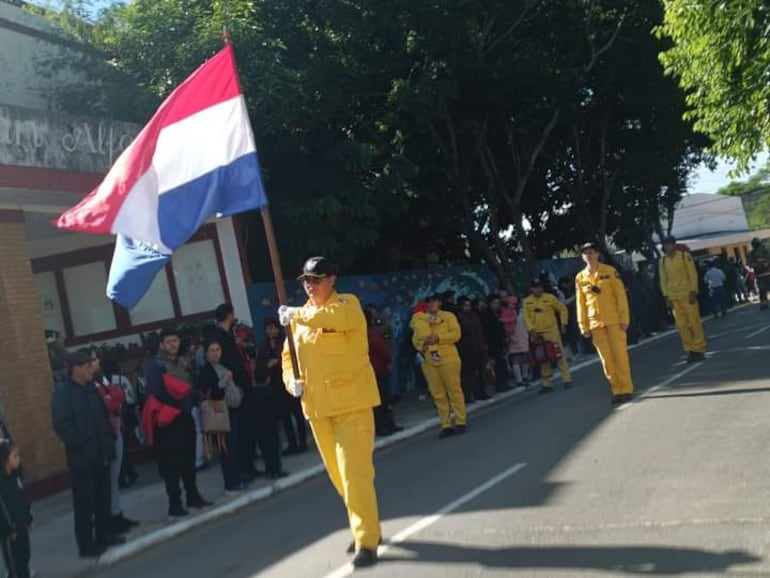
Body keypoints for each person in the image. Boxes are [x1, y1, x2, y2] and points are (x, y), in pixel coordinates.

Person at [278, 256, 382, 568]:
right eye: (306, 280)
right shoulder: (298, 318)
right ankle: (365, 525)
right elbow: (288, 359)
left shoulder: (347, 305)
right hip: (317, 409)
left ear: (332, 280)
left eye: (317, 279)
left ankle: (367, 540)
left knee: (354, 476)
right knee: (339, 478)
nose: (310, 285)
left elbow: (336, 318)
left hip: (352, 405)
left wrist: (298, 315)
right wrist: (290, 382)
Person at [51, 352, 123, 557]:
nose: (93, 369)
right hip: (82, 459)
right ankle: (86, 545)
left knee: (103, 498)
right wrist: (83, 444)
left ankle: (105, 535)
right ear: (78, 369)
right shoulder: (63, 394)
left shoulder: (91, 389)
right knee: (85, 504)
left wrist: (108, 441)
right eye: (88, 366)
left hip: (102, 453)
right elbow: (61, 425)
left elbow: (102, 416)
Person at [144, 328, 212, 518]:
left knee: (188, 462)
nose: (173, 345)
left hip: (185, 417)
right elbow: (157, 392)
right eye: (168, 342)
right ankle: (175, 504)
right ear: (161, 345)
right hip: (167, 424)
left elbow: (191, 385)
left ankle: (193, 496)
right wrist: (180, 405)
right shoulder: (155, 366)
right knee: (171, 467)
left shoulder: (182, 362)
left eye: (175, 341)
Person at [575, 242, 634, 405]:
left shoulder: (609, 271)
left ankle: (626, 388)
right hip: (595, 324)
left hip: (614, 321)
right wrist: (583, 325)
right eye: (585, 253)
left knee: (620, 356)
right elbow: (580, 303)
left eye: (591, 252)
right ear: (582, 256)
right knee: (606, 360)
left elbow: (620, 296)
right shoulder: (580, 277)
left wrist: (624, 319)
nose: (588, 255)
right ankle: (616, 390)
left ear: (597, 254)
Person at [212, 304, 260, 480]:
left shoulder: (228, 336)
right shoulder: (219, 338)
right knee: (238, 432)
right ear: (229, 315)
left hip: (241, 387)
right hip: (233, 390)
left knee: (246, 429)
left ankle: (248, 465)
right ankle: (242, 469)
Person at [92, 353, 138, 534]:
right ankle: (110, 518)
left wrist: (113, 398)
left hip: (116, 427)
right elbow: (107, 403)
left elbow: (119, 395)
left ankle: (117, 513)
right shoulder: (90, 385)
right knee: (109, 479)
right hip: (105, 433)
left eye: (97, 358)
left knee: (115, 476)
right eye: (93, 359)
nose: (97, 362)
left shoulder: (103, 379)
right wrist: (113, 398)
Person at [411, 294, 468, 438]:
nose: (431, 305)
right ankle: (446, 424)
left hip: (448, 357)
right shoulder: (420, 320)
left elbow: (456, 334)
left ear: (439, 303)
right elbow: (415, 340)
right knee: (437, 393)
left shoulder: (448, 316)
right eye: (428, 302)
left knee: (453, 390)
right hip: (429, 360)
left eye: (434, 302)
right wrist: (423, 343)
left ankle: (461, 420)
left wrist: (439, 338)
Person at [198, 339, 247, 494]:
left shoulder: (222, 366)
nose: (215, 353)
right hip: (219, 413)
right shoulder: (206, 371)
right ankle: (231, 483)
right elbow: (213, 393)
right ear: (206, 353)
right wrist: (224, 381)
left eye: (218, 349)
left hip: (232, 411)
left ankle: (237, 479)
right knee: (226, 449)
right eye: (212, 350)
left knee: (234, 447)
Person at [259, 319, 308, 454]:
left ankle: (303, 442)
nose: (270, 331)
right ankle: (292, 443)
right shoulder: (264, 345)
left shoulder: (286, 340)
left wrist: (279, 361)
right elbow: (261, 362)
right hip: (275, 384)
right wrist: (267, 365)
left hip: (289, 380)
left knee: (297, 413)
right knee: (284, 415)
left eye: (272, 328)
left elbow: (293, 356)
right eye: (268, 329)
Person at [659, 236, 706, 362]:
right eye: (665, 245)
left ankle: (699, 349)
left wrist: (693, 291)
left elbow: (692, 274)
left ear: (674, 245)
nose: (667, 247)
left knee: (694, 323)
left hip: (687, 295)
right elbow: (663, 280)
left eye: (669, 244)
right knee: (681, 326)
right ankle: (690, 350)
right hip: (674, 298)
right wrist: (666, 296)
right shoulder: (663, 261)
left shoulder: (685, 257)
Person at [522, 279, 572, 393]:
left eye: (539, 287)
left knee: (559, 355)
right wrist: (531, 330)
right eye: (535, 287)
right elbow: (526, 317)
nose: (537, 289)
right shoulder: (526, 301)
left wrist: (564, 324)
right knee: (543, 358)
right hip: (538, 333)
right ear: (531, 289)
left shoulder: (550, 298)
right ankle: (546, 384)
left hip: (552, 331)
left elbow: (562, 309)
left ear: (542, 288)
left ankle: (567, 379)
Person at [365, 309, 402, 435]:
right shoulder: (373, 334)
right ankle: (387, 425)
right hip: (379, 370)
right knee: (383, 399)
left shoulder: (358, 336)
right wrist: (388, 361)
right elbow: (383, 352)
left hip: (366, 372)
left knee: (374, 402)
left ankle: (380, 426)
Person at [0, 441, 32, 578]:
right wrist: (8, 529)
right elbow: (2, 509)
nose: (18, 458)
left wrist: (29, 517)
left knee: (25, 556)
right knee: (14, 563)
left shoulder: (15, 477)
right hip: (10, 530)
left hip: (21, 525)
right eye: (15, 456)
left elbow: (23, 498)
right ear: (5, 459)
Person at [455, 296, 491, 403]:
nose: (468, 307)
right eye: (465, 305)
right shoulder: (459, 317)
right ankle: (468, 395)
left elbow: (479, 330)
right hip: (467, 349)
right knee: (468, 374)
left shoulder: (474, 315)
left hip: (478, 346)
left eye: (469, 305)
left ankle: (481, 392)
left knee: (480, 371)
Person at [478, 295, 511, 392]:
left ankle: (504, 383)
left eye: (498, 303)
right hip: (492, 343)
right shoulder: (486, 315)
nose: (496, 305)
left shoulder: (499, 314)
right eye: (494, 303)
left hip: (500, 342)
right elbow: (487, 331)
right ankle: (499, 384)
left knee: (502, 363)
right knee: (495, 364)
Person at [748, 237, 770, 310]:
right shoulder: (752, 253)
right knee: (762, 290)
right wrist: (756, 264)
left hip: (768, 273)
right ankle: (764, 303)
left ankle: (764, 303)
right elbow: (750, 263)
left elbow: (768, 258)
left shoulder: (765, 250)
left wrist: (766, 262)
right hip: (759, 275)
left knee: (763, 290)